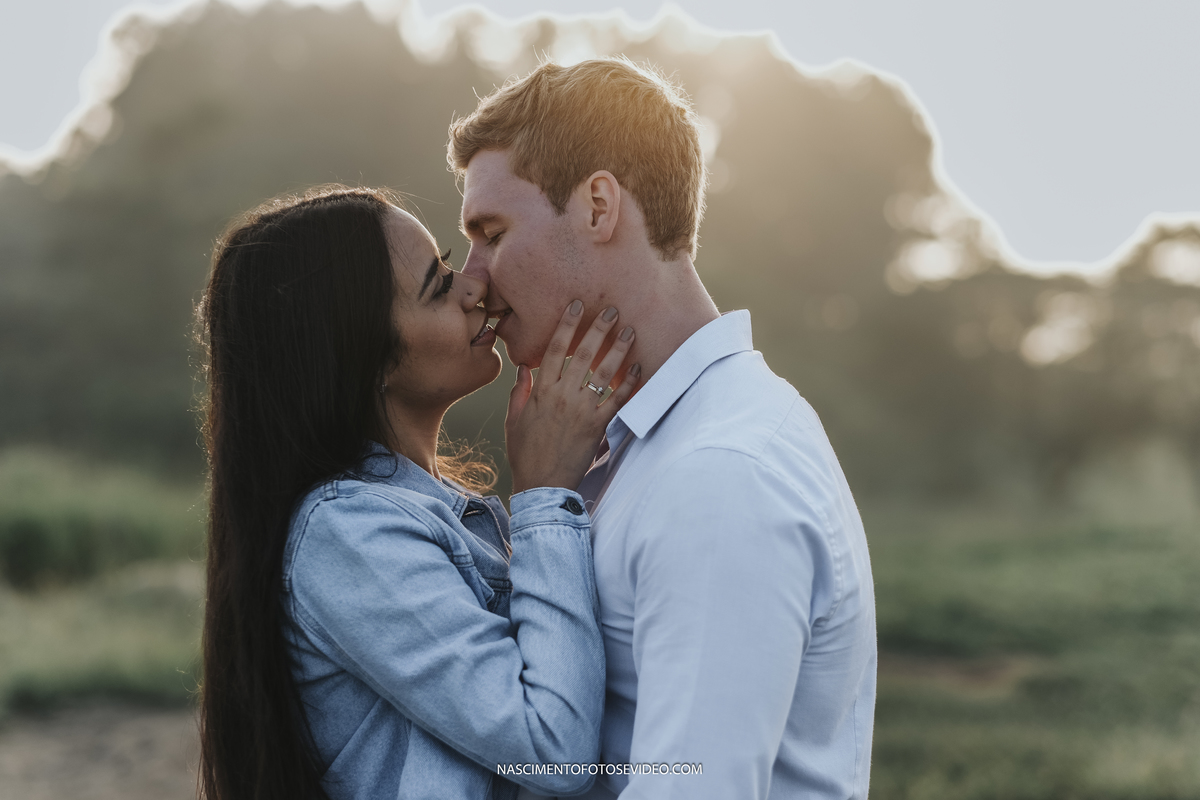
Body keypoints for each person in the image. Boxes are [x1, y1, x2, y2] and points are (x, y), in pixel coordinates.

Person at [448, 58, 877, 799]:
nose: (473, 277)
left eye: (491, 232)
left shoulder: (720, 475)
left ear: (598, 206)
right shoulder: (636, 448)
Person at [195, 185, 641, 800]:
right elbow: (551, 749)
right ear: (361, 355)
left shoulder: (436, 507)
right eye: (438, 285)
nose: (473, 288)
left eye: (451, 264)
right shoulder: (348, 534)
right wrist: (543, 497)